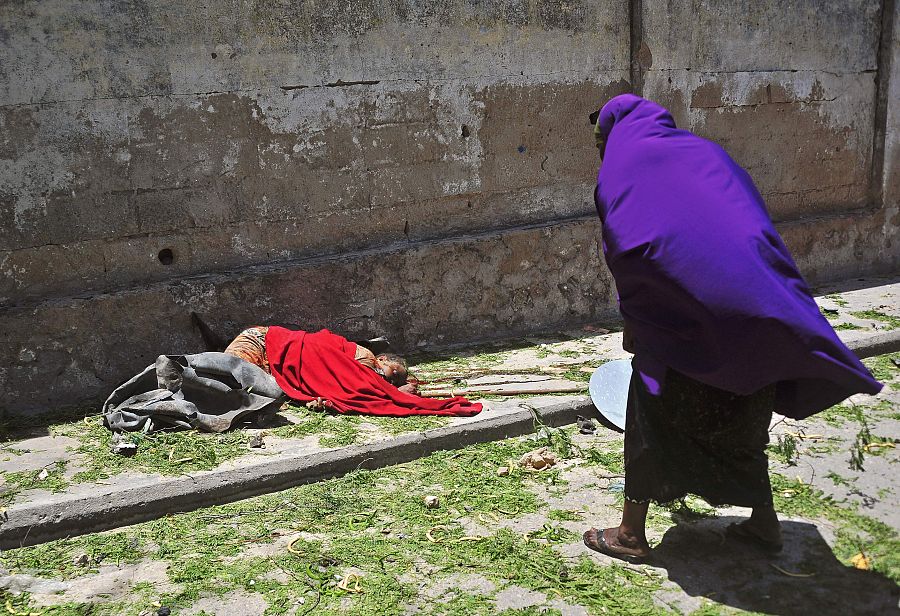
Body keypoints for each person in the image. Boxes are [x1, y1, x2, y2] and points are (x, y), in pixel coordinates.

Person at [582, 94, 882, 561]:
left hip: (682, 315)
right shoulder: (706, 153)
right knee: (743, 407)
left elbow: (630, 250)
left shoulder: (620, 171)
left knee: (651, 407)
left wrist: (635, 321)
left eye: (600, 140)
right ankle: (764, 524)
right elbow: (746, 219)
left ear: (610, 135)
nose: (601, 150)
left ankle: (630, 533)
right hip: (756, 305)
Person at [224, 325, 416, 393]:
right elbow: (360, 386)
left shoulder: (370, 367)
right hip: (264, 342)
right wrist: (396, 391)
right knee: (227, 373)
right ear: (381, 359)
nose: (391, 380)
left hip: (274, 365)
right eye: (395, 373)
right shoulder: (366, 357)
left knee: (246, 388)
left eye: (394, 381)